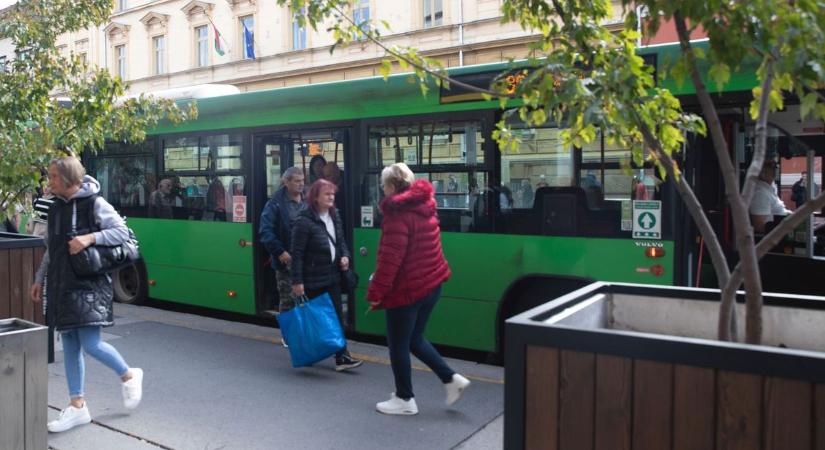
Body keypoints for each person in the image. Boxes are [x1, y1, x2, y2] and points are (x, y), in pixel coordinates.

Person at [29, 156, 143, 433]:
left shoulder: (95, 203)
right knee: (69, 344)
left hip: (88, 285)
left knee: (90, 344)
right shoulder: (55, 208)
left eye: (54, 176)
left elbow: (123, 233)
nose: (49, 181)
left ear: (69, 180)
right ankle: (77, 406)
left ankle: (128, 374)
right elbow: (52, 249)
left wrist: (90, 238)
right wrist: (39, 278)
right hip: (62, 285)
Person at [367, 163, 470, 416]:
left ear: (391, 186)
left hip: (407, 291)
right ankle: (451, 379)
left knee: (398, 345)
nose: (383, 190)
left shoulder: (396, 215)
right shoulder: (427, 208)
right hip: (431, 285)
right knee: (414, 339)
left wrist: (376, 292)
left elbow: (390, 260)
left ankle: (405, 399)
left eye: (383, 185)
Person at [290, 179, 363, 371]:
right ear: (315, 198)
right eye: (327, 194)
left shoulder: (334, 216)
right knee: (315, 320)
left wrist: (345, 256)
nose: (331, 197)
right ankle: (308, 352)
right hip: (312, 279)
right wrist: (297, 282)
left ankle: (342, 357)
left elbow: (341, 242)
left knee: (337, 317)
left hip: (332, 276)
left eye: (332, 194)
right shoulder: (304, 221)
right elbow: (297, 254)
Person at [259, 167, 305, 314]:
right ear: (286, 182)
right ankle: (289, 336)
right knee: (289, 302)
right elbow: (265, 232)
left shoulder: (308, 199)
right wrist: (280, 252)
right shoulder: (275, 204)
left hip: (306, 261)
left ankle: (304, 335)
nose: (301, 184)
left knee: (306, 301)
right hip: (286, 263)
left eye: (302, 180)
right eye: (297, 181)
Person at [749, 159, 791, 233]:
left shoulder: (770, 187)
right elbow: (759, 226)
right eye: (771, 167)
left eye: (775, 167)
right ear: (762, 173)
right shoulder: (760, 193)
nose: (776, 169)